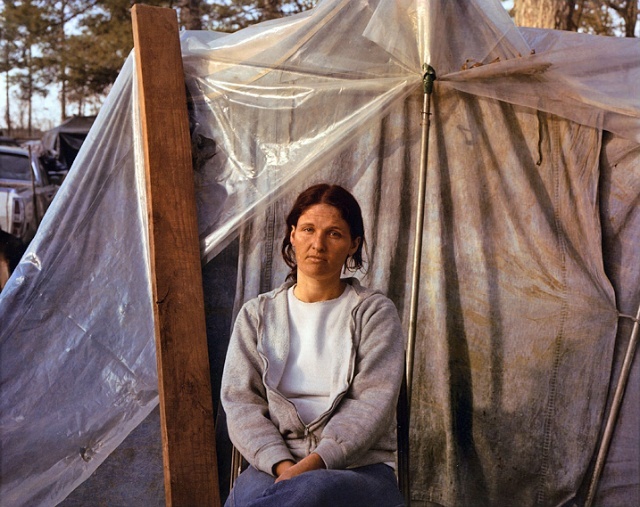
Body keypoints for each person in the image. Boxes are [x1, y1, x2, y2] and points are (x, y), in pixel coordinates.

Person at [221, 183, 405, 507]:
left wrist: (310, 468)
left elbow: (371, 404)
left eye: (334, 234)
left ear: (353, 244)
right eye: (308, 229)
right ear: (292, 235)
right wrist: (283, 465)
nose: (317, 244)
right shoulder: (257, 316)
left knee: (310, 494)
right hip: (274, 466)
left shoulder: (374, 313)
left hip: (359, 469)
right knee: (255, 497)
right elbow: (241, 404)